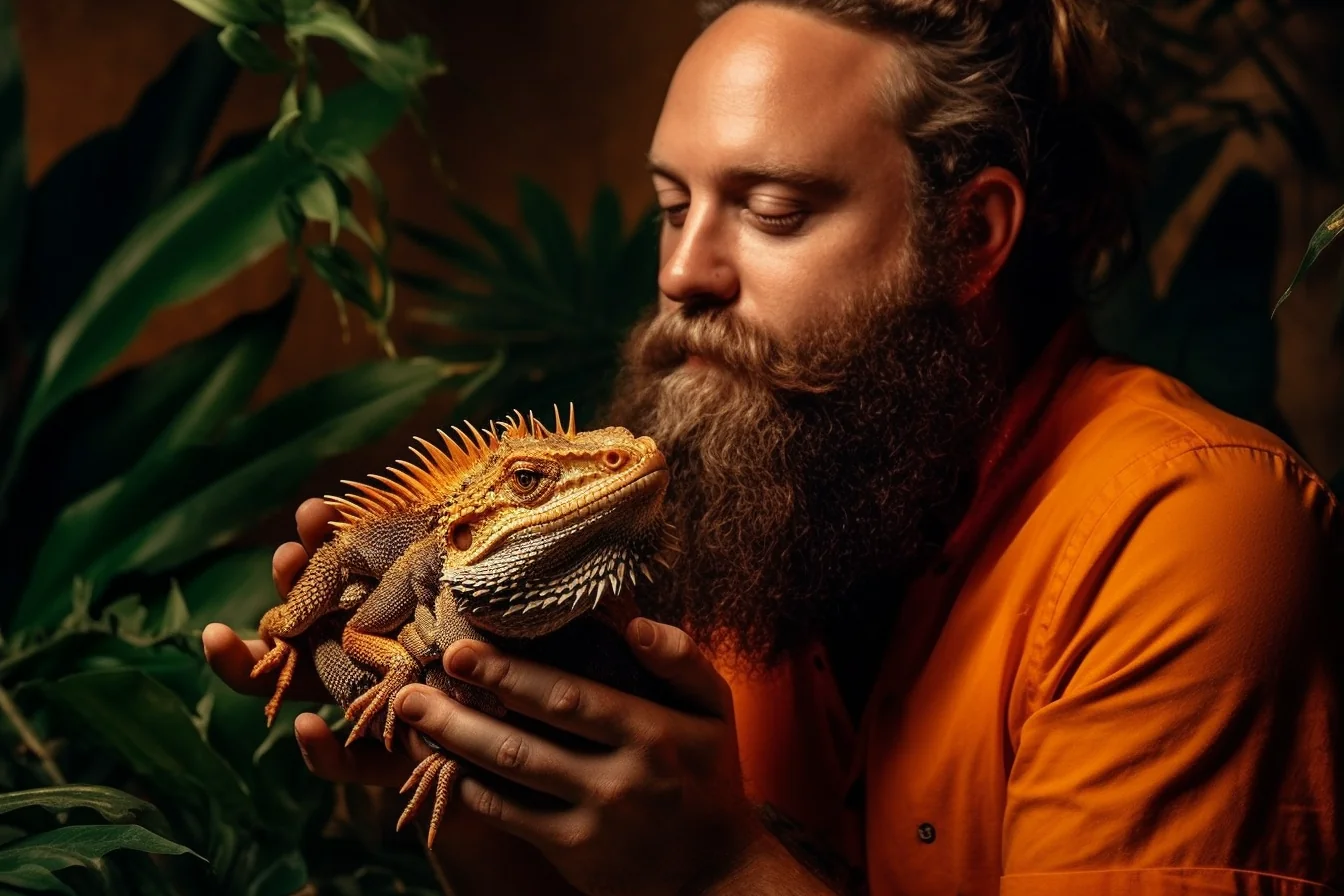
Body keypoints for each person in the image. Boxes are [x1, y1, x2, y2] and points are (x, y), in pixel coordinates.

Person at [203, 1, 1344, 894]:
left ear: (972, 235)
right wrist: (471, 765)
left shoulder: (1189, 528)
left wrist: (715, 868)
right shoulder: (756, 506)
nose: (682, 273)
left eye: (774, 209)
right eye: (670, 204)